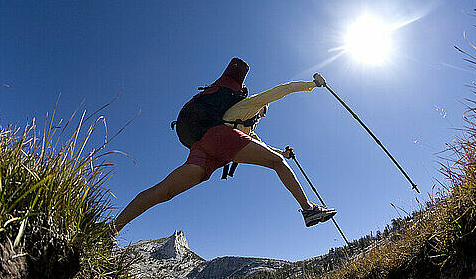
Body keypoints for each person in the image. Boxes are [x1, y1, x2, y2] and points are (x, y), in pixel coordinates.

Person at [110, 58, 336, 236]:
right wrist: (312, 85)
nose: (263, 113)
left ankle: (112, 229)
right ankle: (309, 209)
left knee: (164, 191)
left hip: (204, 148)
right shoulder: (247, 106)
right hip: (219, 139)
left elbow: (260, 146)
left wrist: (282, 153)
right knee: (277, 164)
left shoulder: (246, 130)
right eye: (264, 110)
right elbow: (282, 90)